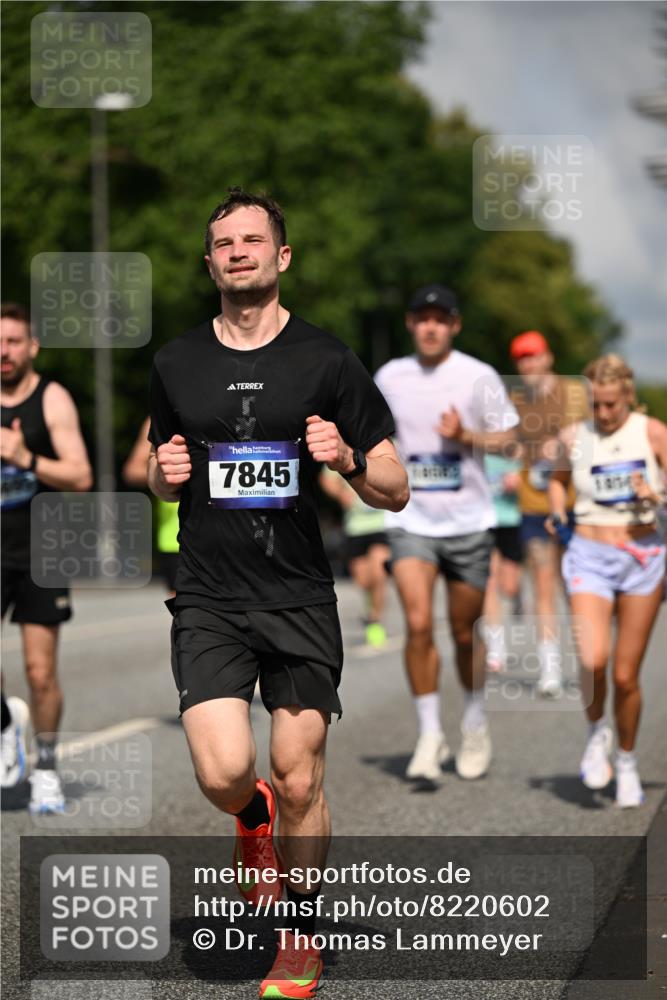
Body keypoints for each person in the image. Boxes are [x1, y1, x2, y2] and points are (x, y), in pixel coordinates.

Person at [147, 188, 408, 998]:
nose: (237, 252)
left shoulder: (326, 361)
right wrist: (162, 474)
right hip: (211, 596)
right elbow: (159, 471)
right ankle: (247, 814)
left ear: (281, 256)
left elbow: (395, 490)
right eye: (222, 242)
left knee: (301, 775)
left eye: (252, 240)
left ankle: (299, 935)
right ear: (209, 262)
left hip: (297, 597)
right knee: (226, 772)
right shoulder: (176, 362)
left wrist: (349, 460)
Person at [375, 285, 518, 783]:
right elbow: (371, 435)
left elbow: (511, 440)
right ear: (411, 324)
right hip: (410, 519)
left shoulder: (478, 375)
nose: (431, 327)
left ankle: (474, 721)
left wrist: (466, 437)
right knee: (416, 624)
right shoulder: (389, 376)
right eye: (422, 318)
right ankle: (430, 733)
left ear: (455, 325)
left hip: (468, 521)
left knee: (463, 632)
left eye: (441, 319)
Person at [548, 355, 667, 807]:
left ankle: (628, 759)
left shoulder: (652, 433)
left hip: (643, 556)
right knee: (593, 659)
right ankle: (597, 732)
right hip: (589, 555)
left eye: (611, 405)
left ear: (628, 397)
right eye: (596, 405)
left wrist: (656, 495)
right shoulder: (574, 437)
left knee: (625, 675)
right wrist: (559, 510)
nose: (603, 415)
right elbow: (557, 482)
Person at [1, 302, 92, 811]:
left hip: (43, 549)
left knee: (40, 672)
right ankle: (4, 725)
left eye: (14, 341)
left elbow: (80, 477)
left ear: (32, 346)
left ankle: (48, 770)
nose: (3, 351)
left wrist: (24, 458)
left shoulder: (51, 399)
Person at [510, 331, 588, 696]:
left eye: (533, 356)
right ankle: (550, 668)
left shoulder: (571, 392)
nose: (527, 364)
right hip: (533, 503)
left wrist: (564, 439)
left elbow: (582, 434)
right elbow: (506, 442)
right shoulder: (514, 399)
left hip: (575, 501)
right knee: (543, 581)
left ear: (548, 357)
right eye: (521, 358)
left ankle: (588, 656)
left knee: (576, 584)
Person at [319, 467, 390, 646]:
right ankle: (369, 607)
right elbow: (326, 479)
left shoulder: (386, 448)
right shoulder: (345, 450)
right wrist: (341, 494)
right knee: (363, 580)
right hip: (355, 527)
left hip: (382, 524)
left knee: (379, 571)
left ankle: (375, 619)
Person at [123, 416, 179, 595]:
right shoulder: (161, 416)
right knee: (184, 614)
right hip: (176, 537)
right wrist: (165, 472)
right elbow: (132, 470)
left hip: (234, 528)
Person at [482, 450, 524, 671]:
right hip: (485, 522)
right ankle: (496, 648)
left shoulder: (516, 450)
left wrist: (518, 481)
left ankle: (518, 593)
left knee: (509, 587)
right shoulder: (476, 450)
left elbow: (532, 480)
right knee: (489, 583)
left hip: (512, 520)